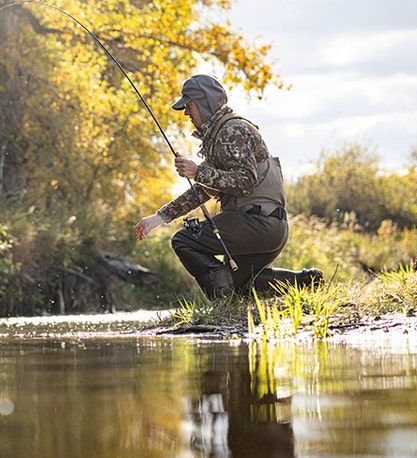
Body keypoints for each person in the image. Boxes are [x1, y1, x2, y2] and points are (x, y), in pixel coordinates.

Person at [133, 74, 321, 299]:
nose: (186, 113)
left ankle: (220, 300)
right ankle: (306, 281)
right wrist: (159, 218)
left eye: (189, 105)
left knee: (183, 240)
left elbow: (245, 182)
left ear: (205, 103)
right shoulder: (222, 135)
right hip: (271, 227)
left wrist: (197, 171)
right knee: (242, 287)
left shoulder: (231, 132)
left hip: (256, 223)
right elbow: (203, 190)